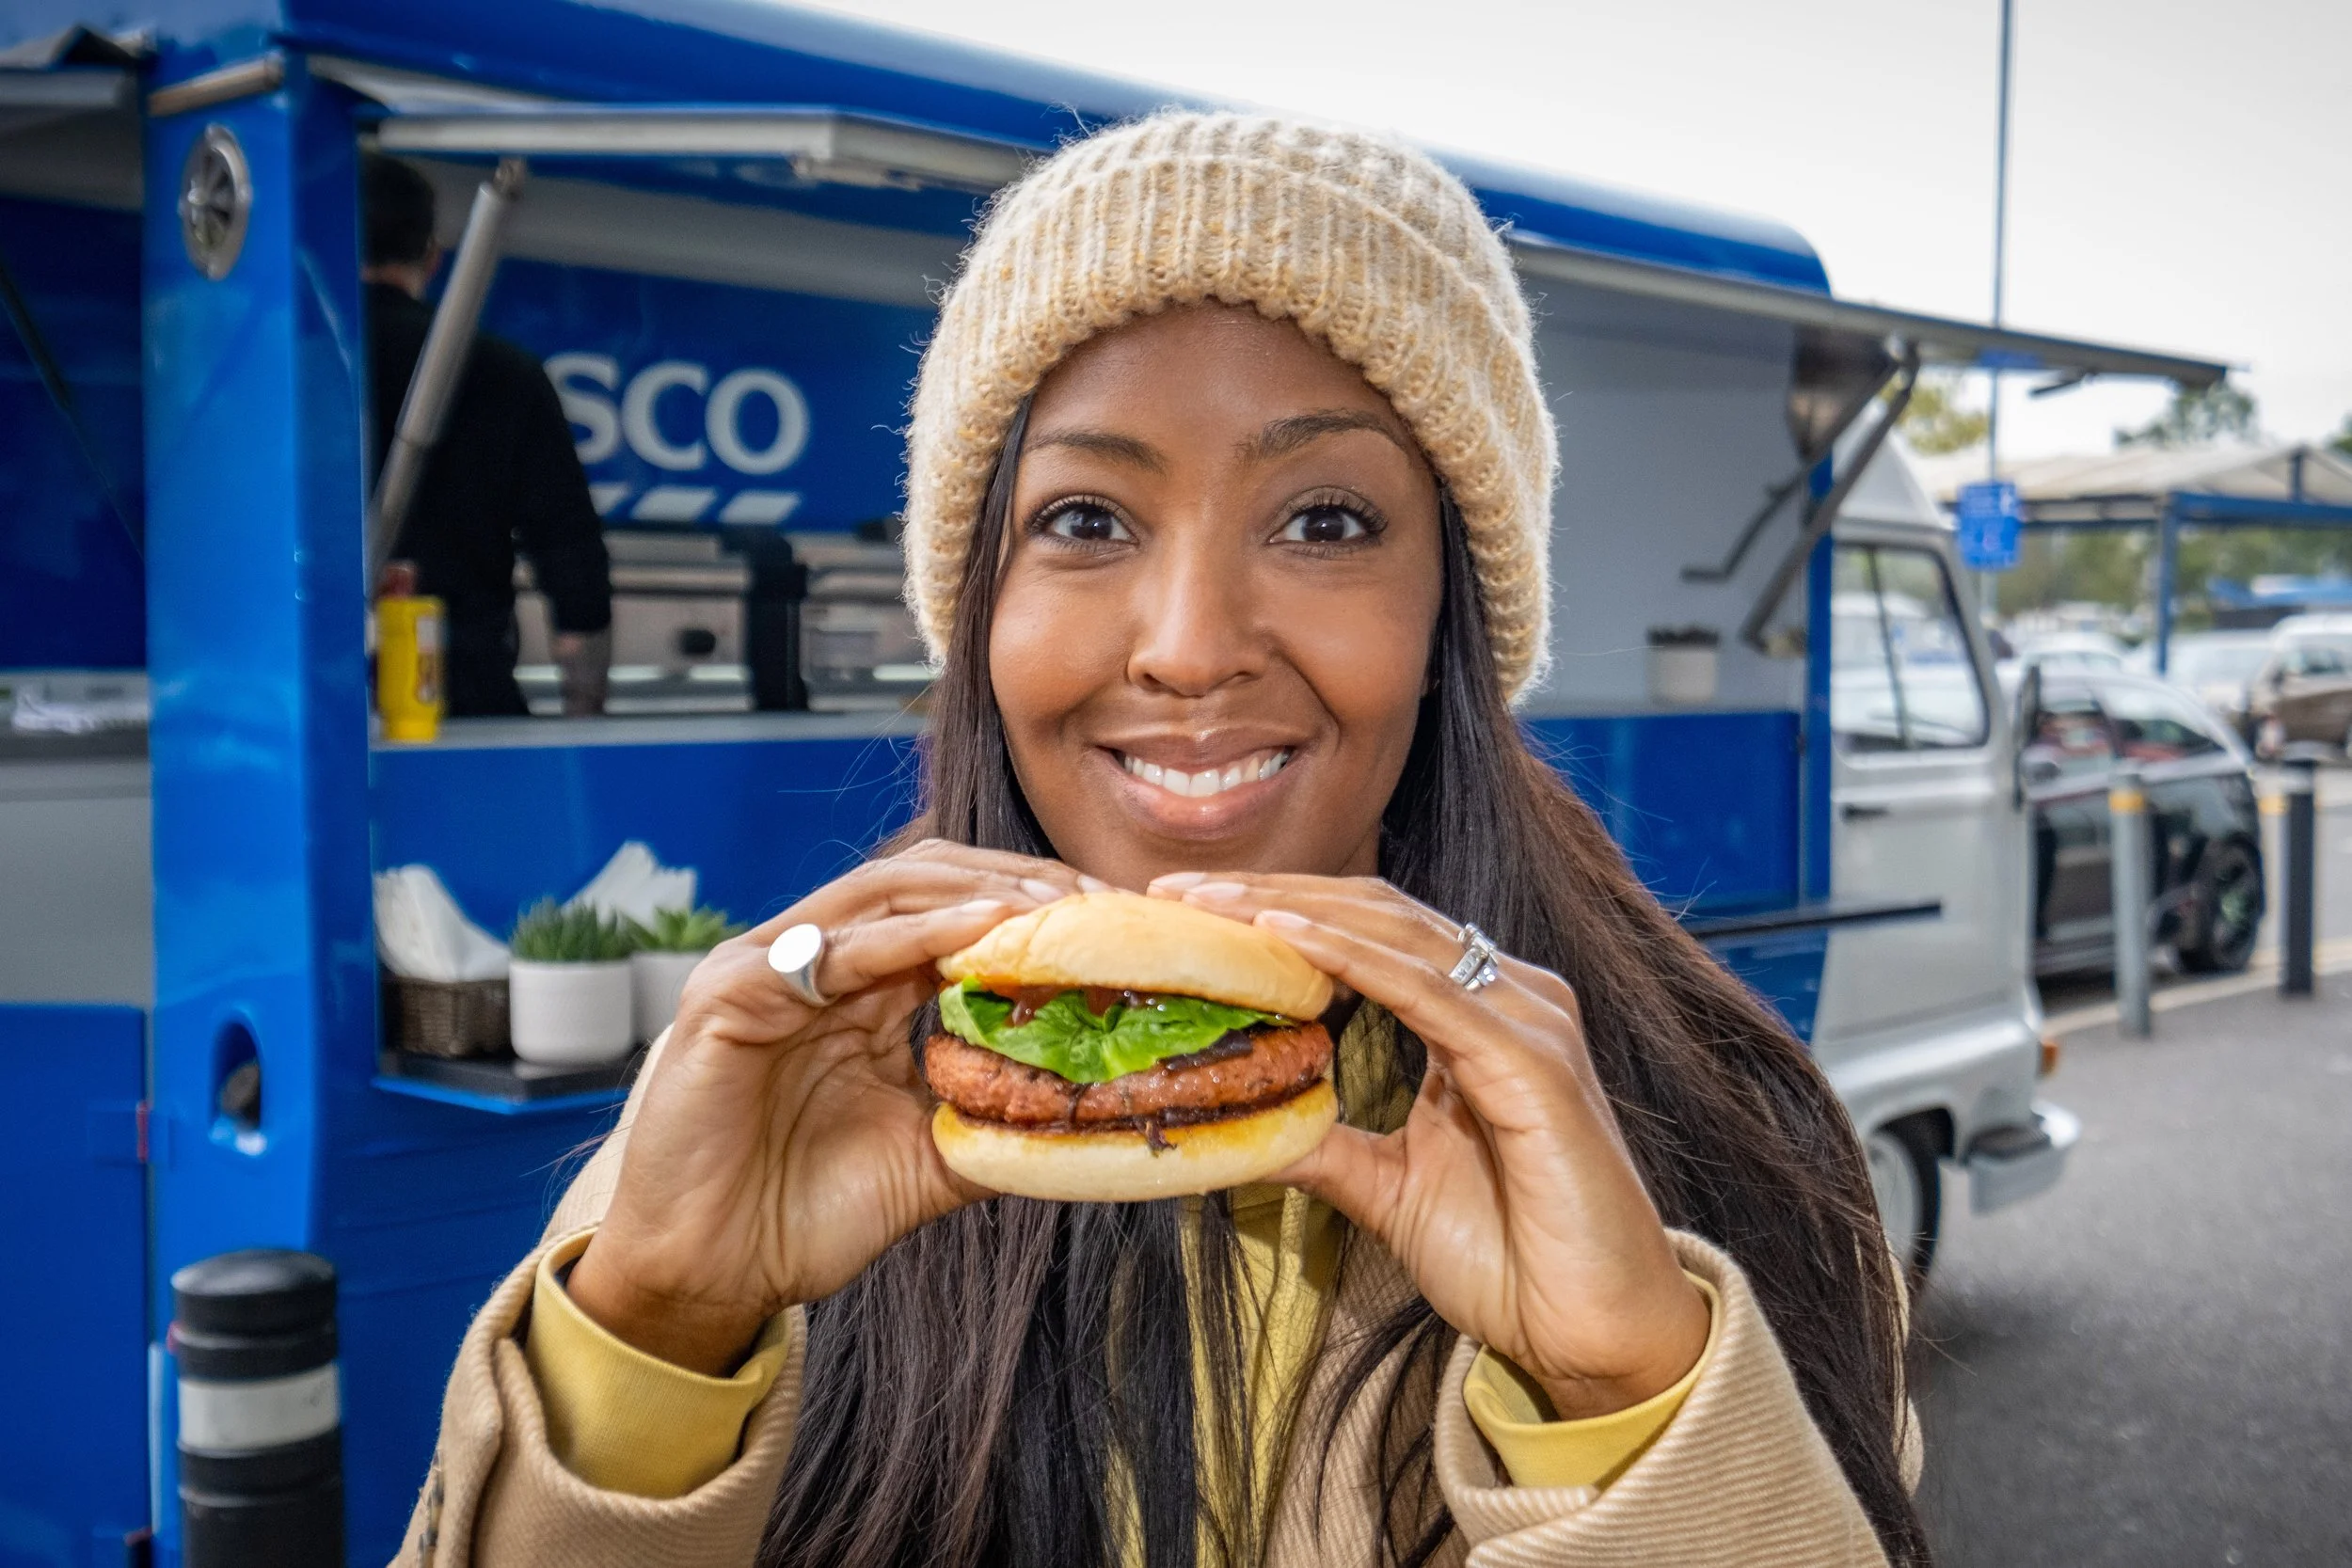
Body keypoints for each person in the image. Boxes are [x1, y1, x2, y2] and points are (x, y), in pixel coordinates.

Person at [397, 114, 1925, 1567]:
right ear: (982, 602)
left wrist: (1629, 1399)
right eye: (1086, 520)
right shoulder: (751, 1124)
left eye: (1324, 521)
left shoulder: (1734, 1145)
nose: (1191, 648)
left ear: (1454, 607)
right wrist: (653, 1333)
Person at [361, 153, 612, 718]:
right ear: (431, 256)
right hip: (463, 692)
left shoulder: (289, 372)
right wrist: (584, 715)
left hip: (309, 704)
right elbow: (574, 565)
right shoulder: (505, 371)